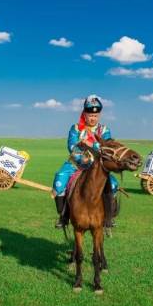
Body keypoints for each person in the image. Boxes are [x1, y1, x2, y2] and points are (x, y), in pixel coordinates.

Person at [51, 95, 119, 228]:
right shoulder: (76, 128)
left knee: (113, 185)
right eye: (90, 115)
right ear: (84, 114)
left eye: (96, 115)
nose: (93, 118)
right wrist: (82, 157)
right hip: (76, 164)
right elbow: (72, 146)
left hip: (97, 166)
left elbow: (107, 146)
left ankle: (109, 217)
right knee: (59, 180)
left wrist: (91, 145)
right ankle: (63, 216)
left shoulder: (104, 130)